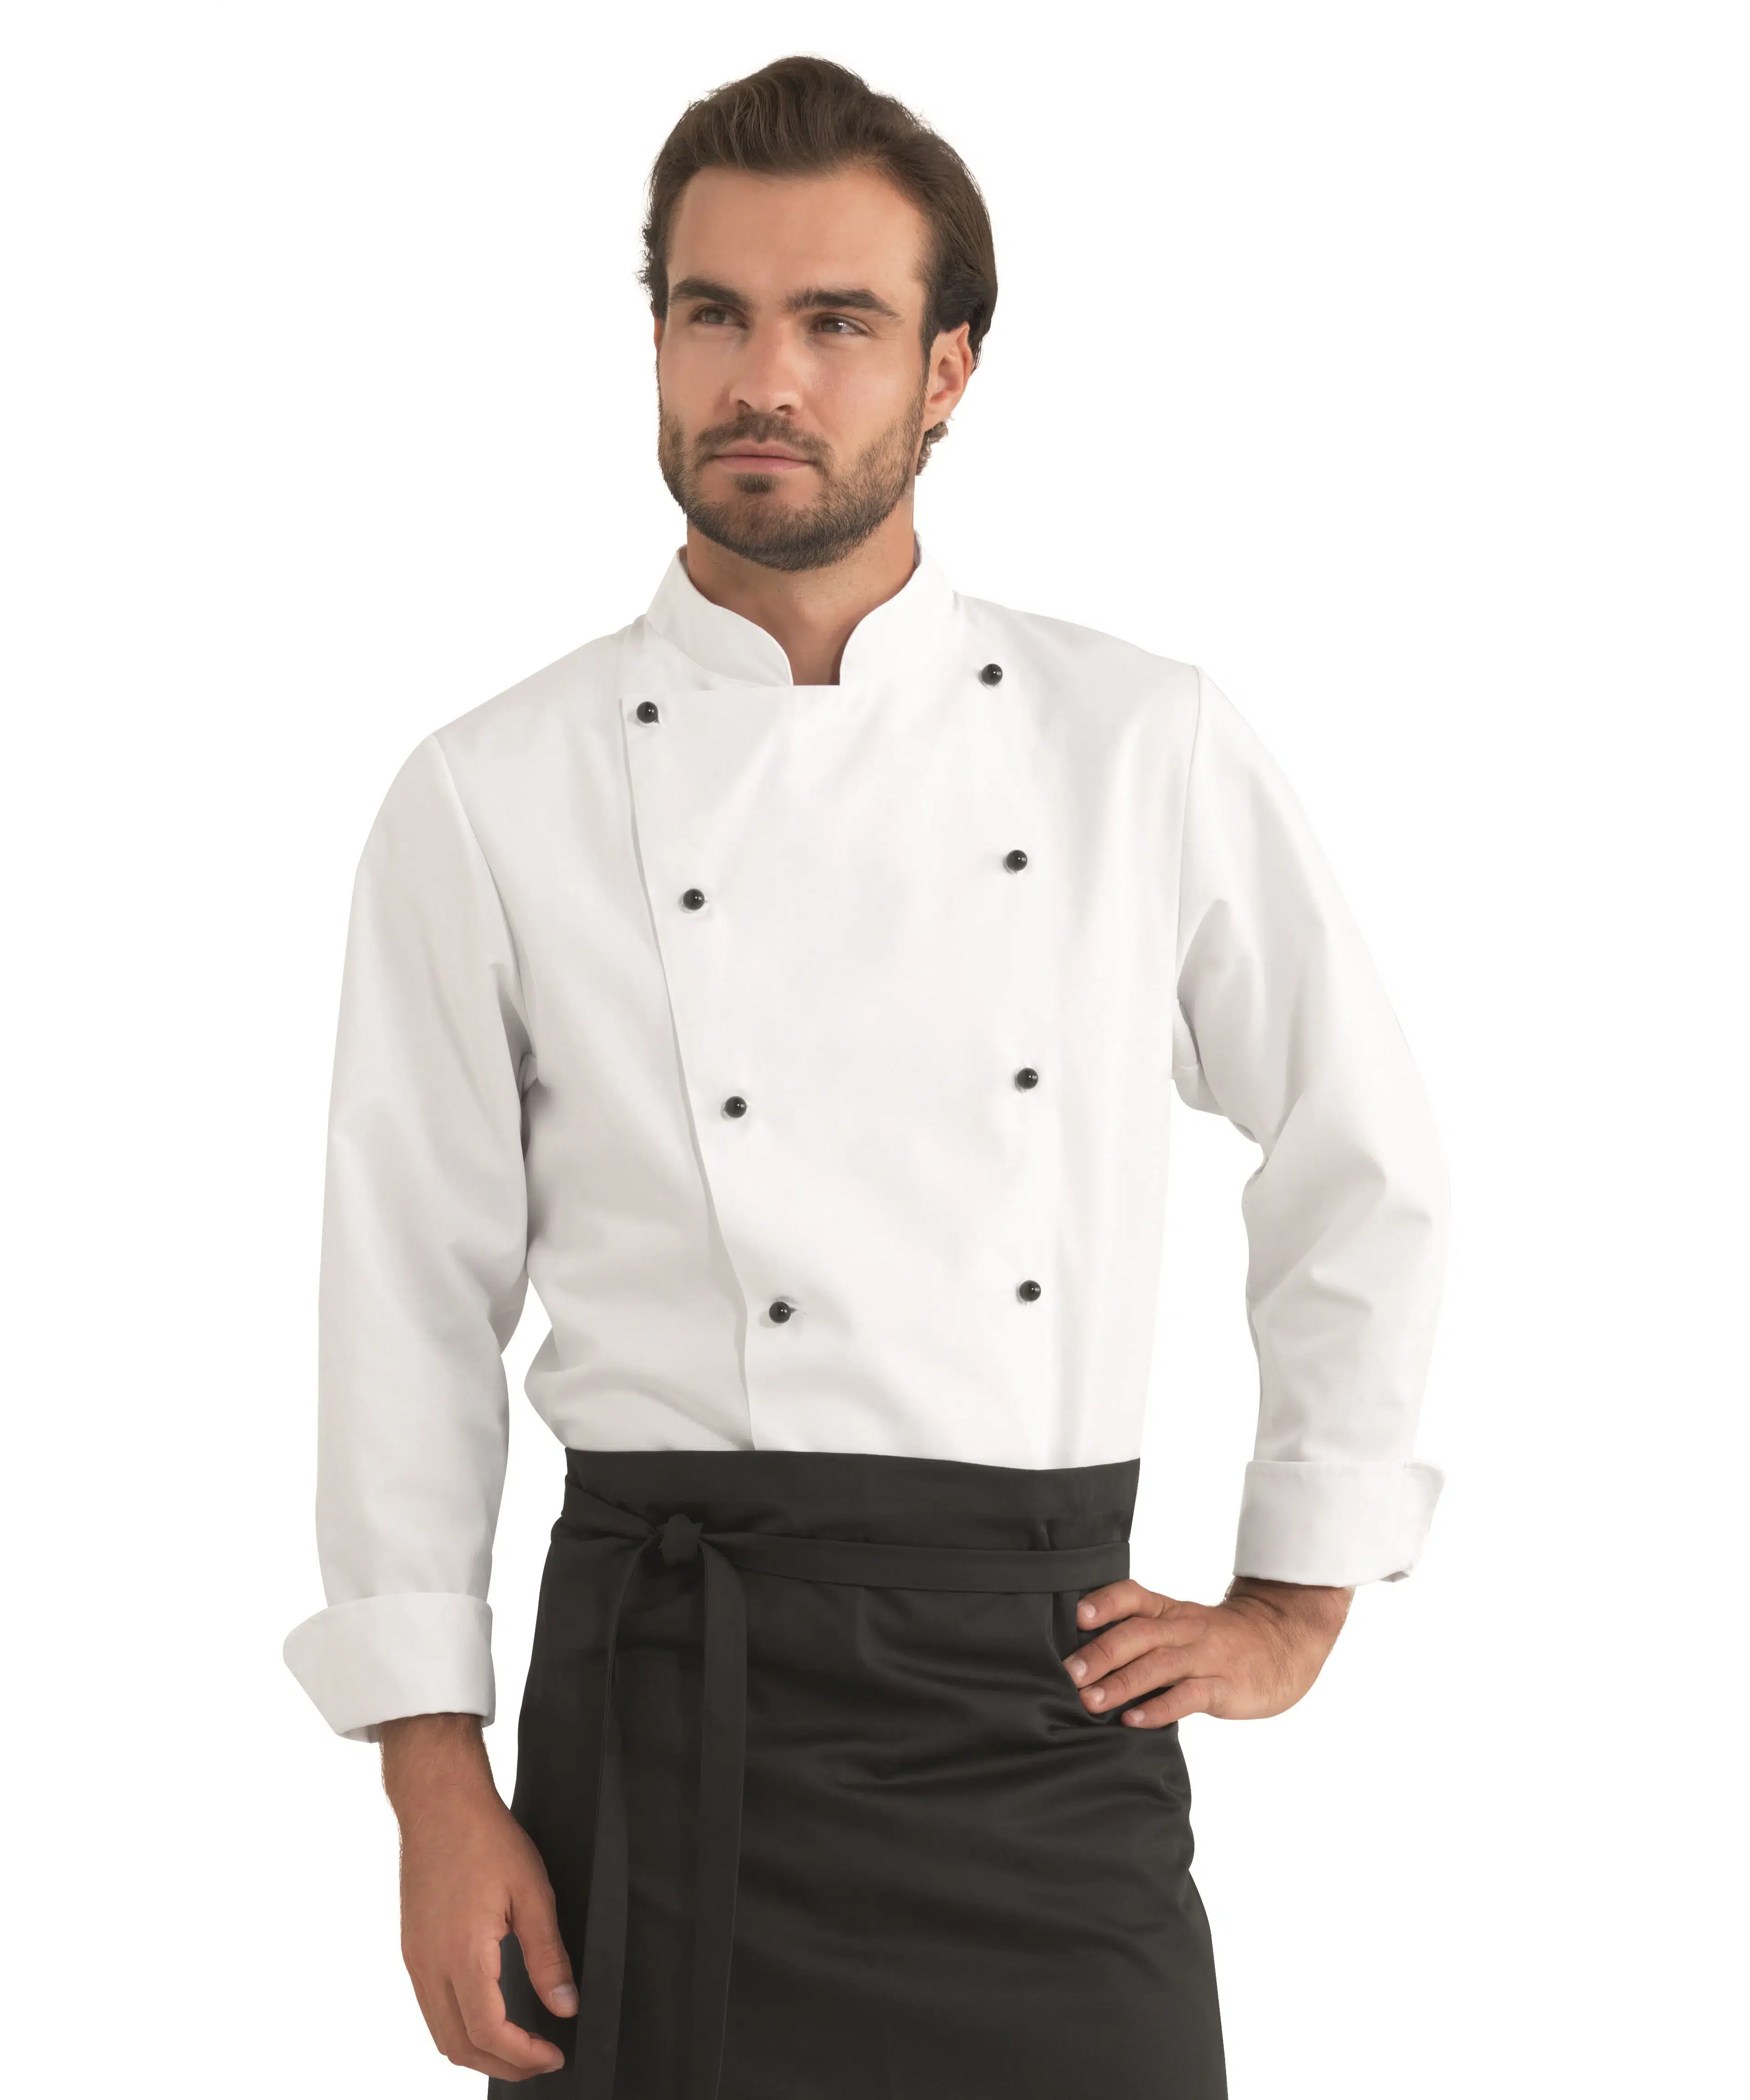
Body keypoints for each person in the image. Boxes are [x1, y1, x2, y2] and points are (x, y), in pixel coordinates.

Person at [283, 53, 1447, 2099]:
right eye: (713, 313)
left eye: (838, 322)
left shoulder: (1139, 743)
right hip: (670, 1686)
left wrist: (1299, 1592)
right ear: (656, 340)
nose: (766, 379)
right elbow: (407, 1303)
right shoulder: (488, 792)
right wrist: (432, 1790)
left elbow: (1364, 1155)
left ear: (948, 370)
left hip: (1042, 1703)